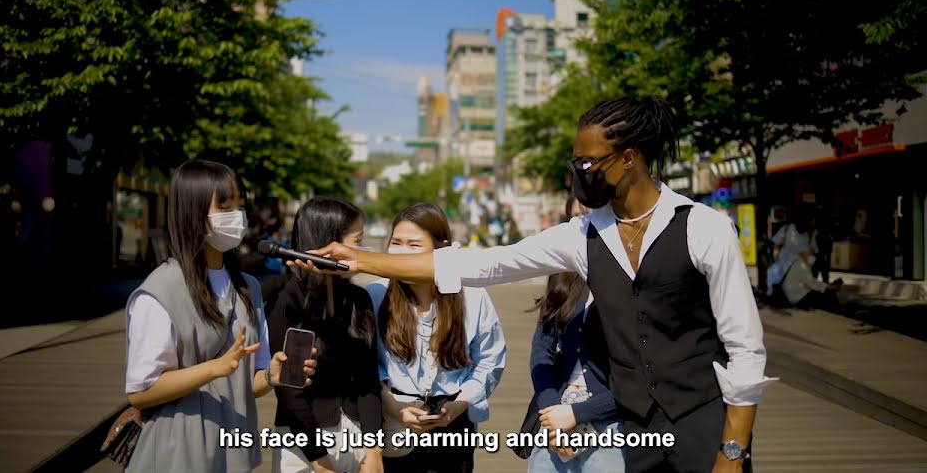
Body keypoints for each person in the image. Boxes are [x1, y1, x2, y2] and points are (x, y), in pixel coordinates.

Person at [295, 97, 776, 473]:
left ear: (629, 158)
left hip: (704, 419)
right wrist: (362, 259)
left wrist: (732, 451)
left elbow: (746, 350)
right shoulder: (584, 234)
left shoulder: (704, 228)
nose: (578, 173)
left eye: (588, 163)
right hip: (635, 430)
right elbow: (488, 264)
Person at [124, 159, 316, 472]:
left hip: (233, 453)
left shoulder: (248, 288)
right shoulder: (160, 291)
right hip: (178, 454)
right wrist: (215, 368)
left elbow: (247, 384)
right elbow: (141, 391)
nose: (237, 216)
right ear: (193, 211)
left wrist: (272, 376)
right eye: (224, 206)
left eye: (240, 205)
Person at [367, 203, 507, 473]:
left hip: (452, 416)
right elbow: (364, 363)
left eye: (413, 245)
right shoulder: (376, 293)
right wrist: (392, 405)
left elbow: (491, 358)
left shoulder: (472, 294)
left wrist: (461, 404)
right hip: (393, 417)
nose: (401, 253)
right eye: (395, 243)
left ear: (442, 248)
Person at [266, 196, 383, 473]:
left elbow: (368, 380)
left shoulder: (359, 298)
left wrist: (374, 450)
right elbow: (289, 390)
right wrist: (321, 462)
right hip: (302, 445)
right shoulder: (288, 300)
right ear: (329, 242)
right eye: (357, 241)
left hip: (356, 439)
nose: (361, 250)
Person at [527, 194, 625, 472]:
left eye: (589, 218)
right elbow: (541, 352)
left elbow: (641, 375)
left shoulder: (632, 278)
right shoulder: (562, 273)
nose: (581, 227)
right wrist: (552, 412)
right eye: (575, 219)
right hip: (555, 415)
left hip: (609, 420)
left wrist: (577, 414)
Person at [766, 207, 818, 295]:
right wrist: (776, 259)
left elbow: (812, 252)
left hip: (801, 272)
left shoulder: (811, 233)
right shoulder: (786, 229)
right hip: (784, 270)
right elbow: (777, 245)